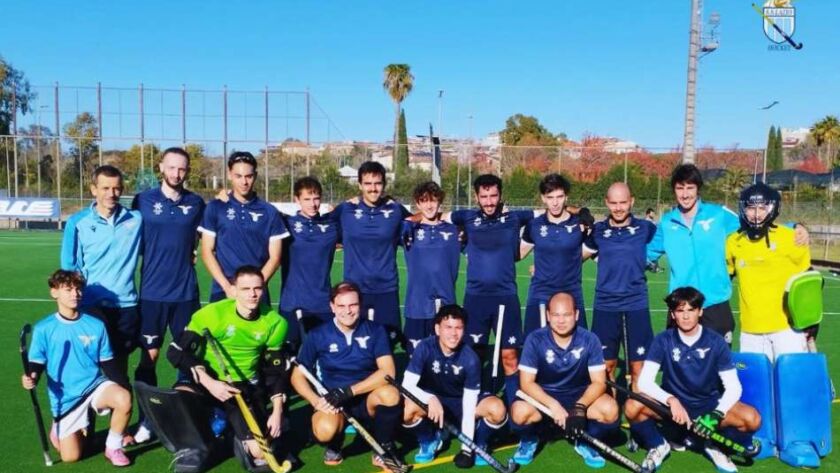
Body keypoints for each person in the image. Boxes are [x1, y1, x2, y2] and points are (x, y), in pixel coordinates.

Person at [647, 164, 809, 344]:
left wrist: (794, 227)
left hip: (715, 304)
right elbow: (646, 253)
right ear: (674, 190)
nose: (685, 194)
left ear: (698, 189)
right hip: (681, 306)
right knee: (679, 360)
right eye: (680, 188)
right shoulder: (666, 223)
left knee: (719, 360)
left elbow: (754, 222)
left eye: (690, 188)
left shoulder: (718, 215)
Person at [166, 265, 290, 469]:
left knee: (259, 453)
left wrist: (277, 412)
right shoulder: (212, 314)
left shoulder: (275, 323)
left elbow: (275, 372)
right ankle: (197, 446)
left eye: (257, 288)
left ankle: (235, 437)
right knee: (180, 397)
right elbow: (175, 352)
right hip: (208, 380)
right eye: (245, 289)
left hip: (242, 386)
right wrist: (209, 381)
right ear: (233, 290)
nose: (252, 294)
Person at [627, 287, 761, 473]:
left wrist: (716, 414)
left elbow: (733, 387)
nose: (686, 316)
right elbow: (644, 382)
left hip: (708, 406)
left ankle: (715, 446)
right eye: (680, 311)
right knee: (632, 406)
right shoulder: (663, 340)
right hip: (672, 410)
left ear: (700, 311)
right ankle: (658, 444)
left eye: (691, 310)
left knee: (752, 419)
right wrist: (671, 400)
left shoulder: (716, 342)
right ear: (673, 314)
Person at [131, 147, 206, 443]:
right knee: (149, 356)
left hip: (185, 294)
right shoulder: (142, 200)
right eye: (172, 167)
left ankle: (185, 419)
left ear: (188, 171)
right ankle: (146, 420)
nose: (177, 173)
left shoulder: (196, 203)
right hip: (152, 293)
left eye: (182, 168)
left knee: (186, 357)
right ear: (161, 167)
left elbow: (207, 237)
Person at [22, 270, 133, 466]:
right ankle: (63, 427)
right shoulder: (44, 328)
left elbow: (107, 362)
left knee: (123, 398)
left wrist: (124, 388)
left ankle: (113, 447)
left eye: (78, 289)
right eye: (68, 289)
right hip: (66, 399)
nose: (75, 294)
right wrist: (32, 377)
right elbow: (37, 363)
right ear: (54, 292)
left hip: (94, 386)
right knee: (71, 457)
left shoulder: (96, 325)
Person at [290, 282, 403, 468]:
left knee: (391, 394)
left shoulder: (376, 330)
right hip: (335, 402)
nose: (347, 311)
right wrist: (316, 401)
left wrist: (349, 391)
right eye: (341, 306)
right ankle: (335, 444)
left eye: (353, 305)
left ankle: (383, 447)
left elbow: (387, 372)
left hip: (367, 398)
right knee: (324, 431)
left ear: (360, 305)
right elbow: (297, 375)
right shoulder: (318, 335)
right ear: (332, 307)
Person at [445, 174, 536, 405]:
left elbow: (549, 213)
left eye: (493, 196)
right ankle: (473, 405)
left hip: (506, 297)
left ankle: (514, 406)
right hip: (475, 298)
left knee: (510, 356)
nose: (489, 202)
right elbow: (435, 214)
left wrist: (581, 213)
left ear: (500, 195)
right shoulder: (466, 217)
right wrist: (409, 221)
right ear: (476, 197)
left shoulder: (515, 218)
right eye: (484, 197)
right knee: (474, 355)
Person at [509, 292, 619, 468]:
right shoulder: (535, 339)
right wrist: (553, 405)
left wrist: (579, 408)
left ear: (576, 315)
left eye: (566, 315)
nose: (561, 321)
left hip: (579, 395)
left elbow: (599, 382)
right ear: (548, 315)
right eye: (556, 315)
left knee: (610, 410)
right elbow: (526, 383)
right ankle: (530, 439)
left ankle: (586, 441)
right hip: (545, 398)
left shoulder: (590, 340)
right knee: (519, 412)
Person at [61, 164, 143, 380]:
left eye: (116, 188)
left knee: (119, 372)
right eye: (105, 188)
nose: (111, 194)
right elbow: (69, 267)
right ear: (93, 189)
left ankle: (121, 401)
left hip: (126, 306)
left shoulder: (136, 219)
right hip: (91, 306)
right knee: (88, 369)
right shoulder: (77, 222)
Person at [402, 304, 507, 467]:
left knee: (497, 409)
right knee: (407, 409)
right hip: (435, 402)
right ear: (437, 329)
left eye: (458, 328)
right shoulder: (424, 347)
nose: (453, 333)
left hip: (462, 403)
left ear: (464, 330)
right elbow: (406, 385)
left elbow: (469, 405)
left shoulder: (470, 359)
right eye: (448, 327)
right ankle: (429, 440)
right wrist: (429, 398)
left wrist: (466, 449)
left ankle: (479, 444)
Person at [725, 182, 811, 361]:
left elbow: (808, 282)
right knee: (755, 380)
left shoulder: (791, 237)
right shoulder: (733, 241)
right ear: (743, 209)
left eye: (762, 208)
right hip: (750, 331)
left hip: (787, 329)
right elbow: (724, 276)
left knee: (790, 378)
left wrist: (810, 320)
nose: (756, 214)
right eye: (751, 208)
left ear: (772, 208)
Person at [583, 182, 656, 386]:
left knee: (639, 368)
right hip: (605, 305)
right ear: (606, 203)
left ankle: (638, 406)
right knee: (606, 367)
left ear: (632, 201)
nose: (618, 208)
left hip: (636, 304)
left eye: (623, 202)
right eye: (613, 203)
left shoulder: (646, 228)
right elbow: (575, 257)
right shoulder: (597, 231)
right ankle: (610, 406)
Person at [333, 161, 409, 345]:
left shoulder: (395, 210)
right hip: (354, 289)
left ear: (384, 185)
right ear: (360, 185)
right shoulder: (345, 210)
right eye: (367, 183)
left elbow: (419, 220)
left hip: (386, 289)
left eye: (377, 183)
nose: (373, 188)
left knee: (388, 343)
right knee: (355, 343)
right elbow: (321, 225)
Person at [199, 151, 289, 303]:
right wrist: (227, 287)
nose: (244, 182)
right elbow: (207, 251)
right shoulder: (215, 207)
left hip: (256, 293)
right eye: (238, 176)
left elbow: (275, 258)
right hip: (223, 290)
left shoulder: (269, 212)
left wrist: (254, 287)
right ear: (229, 175)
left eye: (249, 176)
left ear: (256, 175)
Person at [520, 173, 591, 336]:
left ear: (566, 197)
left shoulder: (580, 224)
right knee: (534, 343)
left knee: (578, 345)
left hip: (572, 293)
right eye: (550, 197)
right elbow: (519, 253)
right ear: (543, 198)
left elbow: (591, 250)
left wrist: (568, 262)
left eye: (559, 197)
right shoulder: (534, 225)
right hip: (540, 293)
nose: (555, 202)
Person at [279, 176, 341, 351]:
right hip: (292, 303)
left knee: (324, 356)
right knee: (289, 357)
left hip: (322, 304)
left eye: (316, 198)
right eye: (307, 199)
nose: (313, 204)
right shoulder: (285, 224)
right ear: (297, 200)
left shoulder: (333, 226)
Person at [402, 181, 461, 353]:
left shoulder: (455, 231)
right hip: (417, 304)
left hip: (446, 302)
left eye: (433, 200)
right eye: (424, 200)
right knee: (415, 356)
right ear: (418, 203)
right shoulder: (408, 230)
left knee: (445, 355)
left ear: (439, 201)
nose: (429, 205)